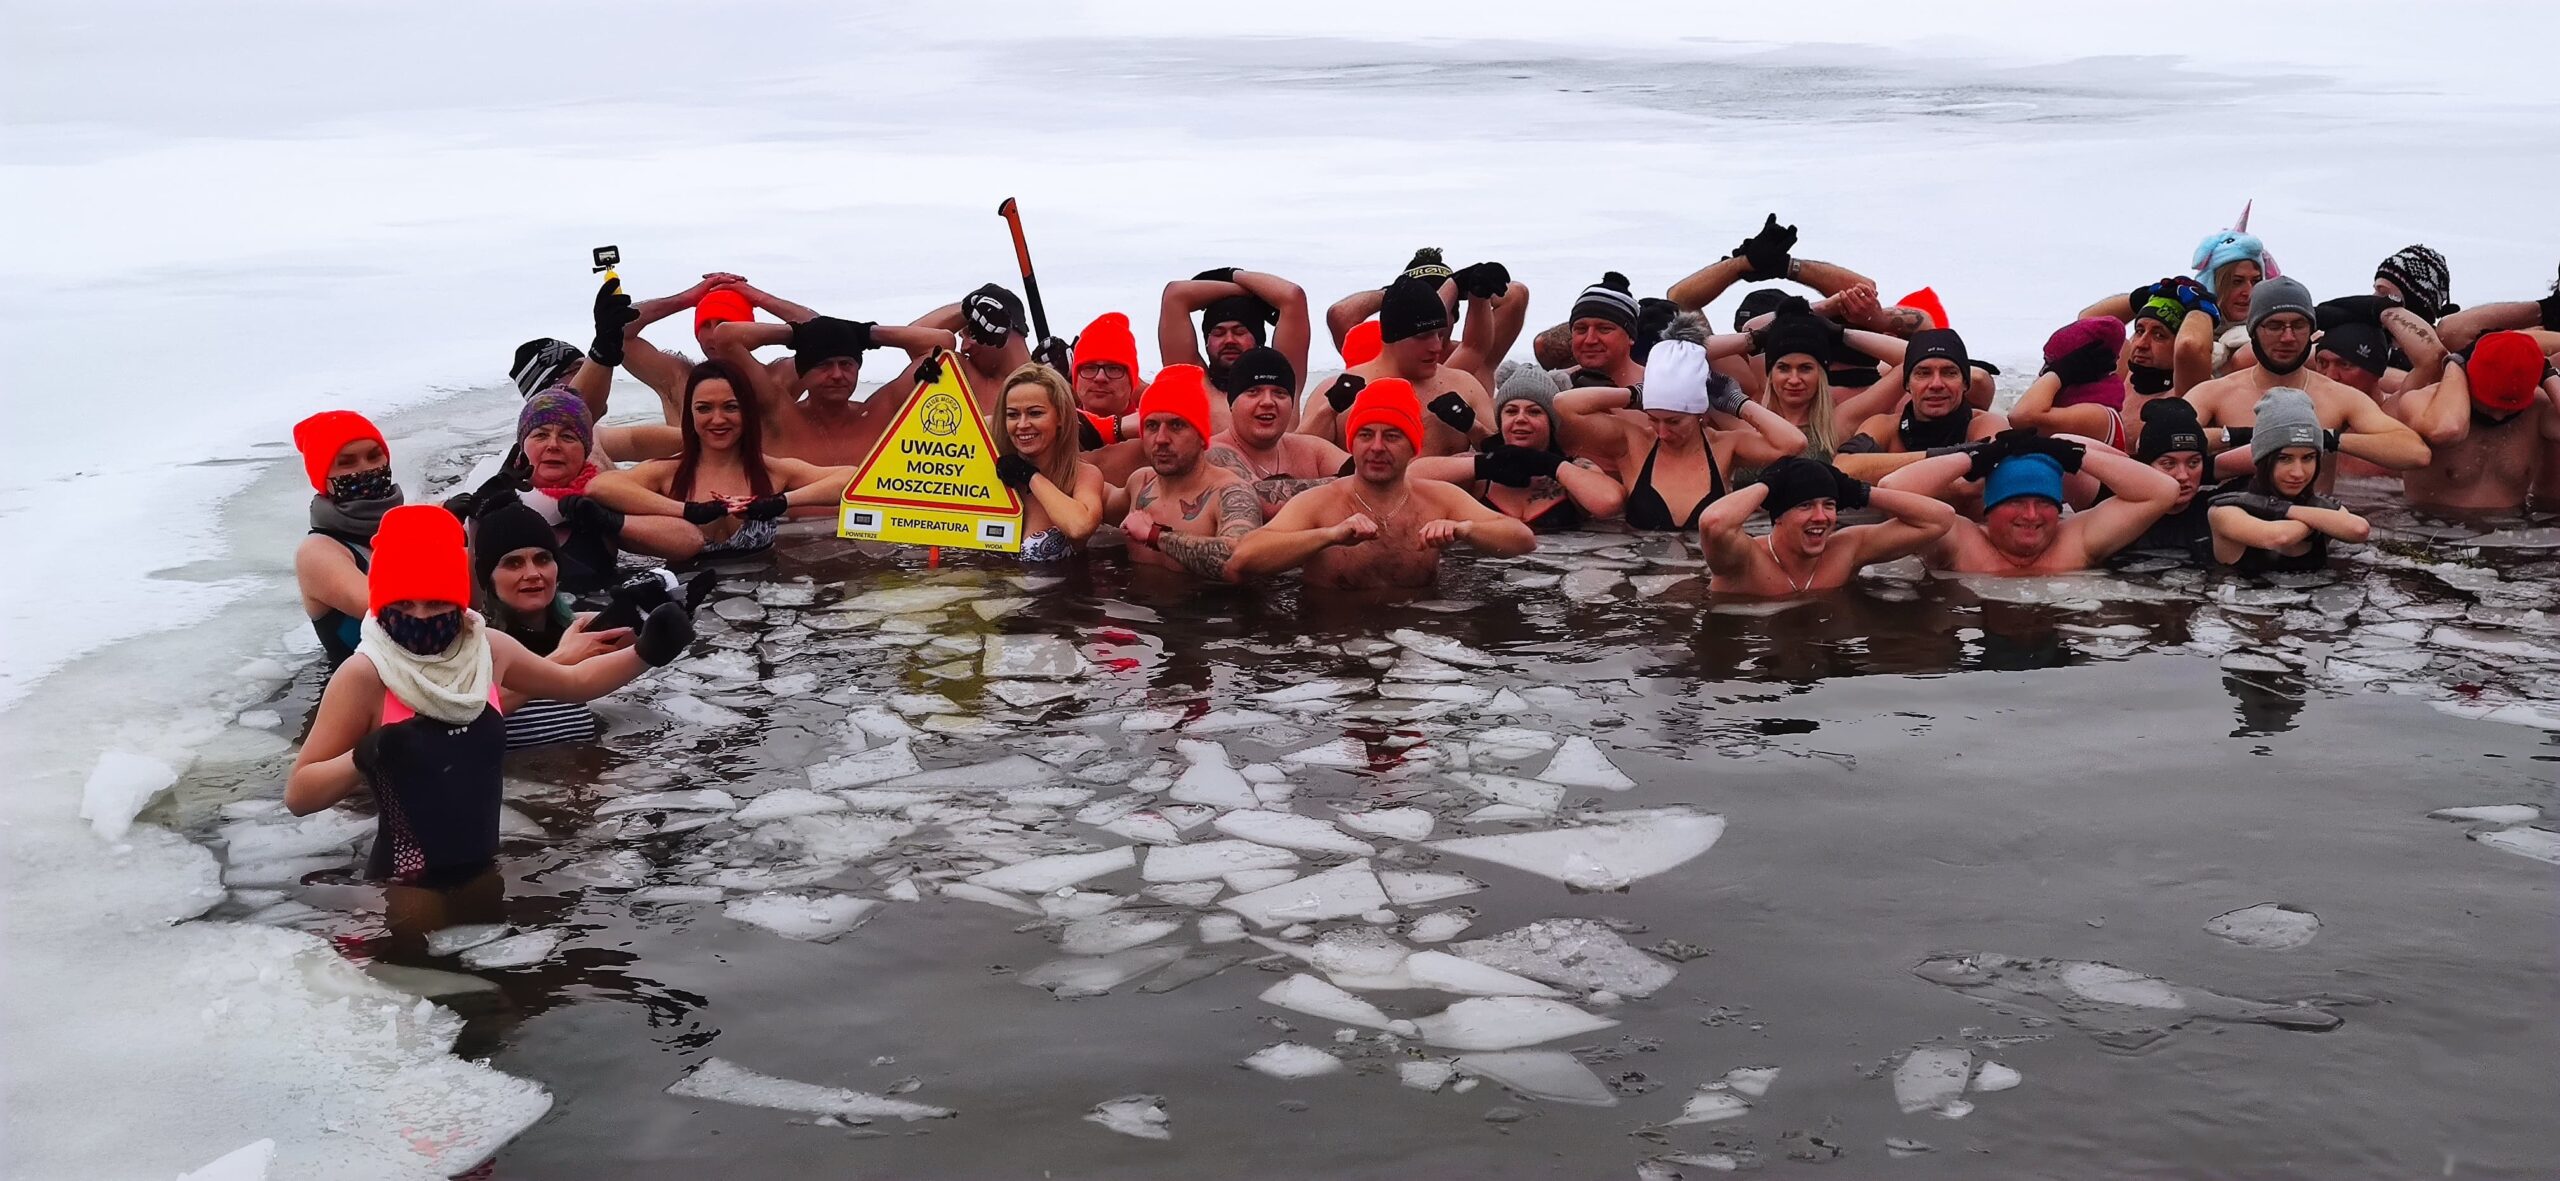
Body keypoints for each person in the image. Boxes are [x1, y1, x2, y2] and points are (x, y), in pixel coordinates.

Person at [284, 506, 687, 935]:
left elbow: (574, 682)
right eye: (402, 603)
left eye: (436, 602)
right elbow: (299, 795)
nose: (420, 616)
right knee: (423, 968)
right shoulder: (365, 674)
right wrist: (365, 755)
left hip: (485, 868)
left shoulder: (485, 649)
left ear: (459, 600)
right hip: (404, 879)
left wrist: (647, 653)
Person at [1229, 379, 1536, 589]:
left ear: (1413, 447)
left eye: (1391, 436)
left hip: (1422, 638)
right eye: (1365, 435)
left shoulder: (1440, 499)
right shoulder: (1320, 503)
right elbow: (1245, 557)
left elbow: (1522, 540)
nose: (1376, 447)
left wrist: (1464, 529)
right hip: (1330, 642)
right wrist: (1328, 536)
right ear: (1352, 444)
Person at [586, 361, 854, 556]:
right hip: (683, 596)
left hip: (766, 597)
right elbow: (601, 487)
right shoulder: (667, 472)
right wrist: (687, 511)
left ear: (747, 412)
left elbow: (853, 478)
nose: (717, 419)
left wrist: (780, 503)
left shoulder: (773, 470)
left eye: (730, 407)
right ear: (691, 414)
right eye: (704, 408)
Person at [444, 389, 706, 585]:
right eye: (541, 435)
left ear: (586, 451)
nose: (553, 445)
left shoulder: (601, 493)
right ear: (522, 446)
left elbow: (689, 541)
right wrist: (456, 523)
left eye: (568, 437)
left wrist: (610, 520)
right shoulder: (489, 496)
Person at [2184, 277, 2431, 482]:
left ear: (2311, 330)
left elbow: (2415, 452)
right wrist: (2241, 436)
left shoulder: (2339, 396)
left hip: (2316, 523)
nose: (2288, 338)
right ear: (2253, 331)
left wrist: (2325, 439)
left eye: (2299, 325)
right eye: (2274, 326)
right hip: (2231, 518)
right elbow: (2164, 441)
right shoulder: (2215, 393)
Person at [1554, 333, 1806, 531]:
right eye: (1653, 419)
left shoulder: (1725, 446)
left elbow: (1793, 443)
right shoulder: (1632, 442)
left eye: (1674, 422)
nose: (1662, 432)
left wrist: (1738, 403)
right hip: (1641, 576)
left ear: (1700, 414)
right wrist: (1634, 394)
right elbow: (1565, 405)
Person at [1882, 430, 2180, 574]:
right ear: (1990, 508)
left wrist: (2074, 454)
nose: (2031, 515)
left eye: (2045, 502)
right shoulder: (1960, 541)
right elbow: (1892, 489)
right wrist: (1972, 459)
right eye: (2016, 502)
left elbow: (2163, 490)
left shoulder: (2077, 540)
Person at [467, 502, 634, 749]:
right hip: (517, 773)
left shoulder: (579, 630)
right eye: (513, 563)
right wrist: (560, 660)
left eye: (543, 559)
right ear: (488, 578)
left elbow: (654, 641)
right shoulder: (473, 643)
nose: (533, 573)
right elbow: (468, 714)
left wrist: (649, 605)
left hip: (586, 769)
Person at [708, 310, 956, 467]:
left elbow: (942, 342)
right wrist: (797, 334)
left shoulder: (879, 413)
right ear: (802, 374)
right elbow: (727, 337)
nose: (837, 375)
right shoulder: (779, 414)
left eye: (846, 364)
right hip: (790, 534)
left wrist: (864, 333)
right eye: (824, 365)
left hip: (867, 536)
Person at [1406, 365, 1624, 532]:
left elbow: (1610, 502)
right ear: (1500, 420)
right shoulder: (1478, 470)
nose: (1520, 419)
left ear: (1551, 422)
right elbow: (1410, 478)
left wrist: (1550, 464)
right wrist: (1485, 464)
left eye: (1534, 412)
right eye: (1511, 411)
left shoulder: (1575, 467)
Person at [1698, 456, 1955, 595]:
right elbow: (1714, 522)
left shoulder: (1846, 551)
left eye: (1829, 504)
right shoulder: (1744, 560)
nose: (1821, 517)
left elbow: (1939, 519)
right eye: (1805, 505)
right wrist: (1768, 486)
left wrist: (1859, 492)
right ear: (1778, 516)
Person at [1299, 276, 1494, 457]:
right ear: (1392, 337)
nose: (1436, 347)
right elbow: (1297, 457)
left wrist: (1474, 429)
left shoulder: (1464, 386)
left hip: (1446, 485)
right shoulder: (1334, 391)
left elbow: (1505, 458)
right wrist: (1328, 411)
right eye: (1423, 336)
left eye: (1439, 334)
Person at [1110, 365, 1265, 581]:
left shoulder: (1230, 492)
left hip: (1211, 602)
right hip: (1139, 600)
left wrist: (1154, 535)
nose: (1161, 439)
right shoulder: (1140, 482)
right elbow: (1095, 500)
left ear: (1201, 435)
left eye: (1176, 425)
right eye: (1152, 426)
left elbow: (1241, 559)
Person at [2386, 331, 2558, 512]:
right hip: (2429, 523)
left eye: (2510, 408)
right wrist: (2454, 365)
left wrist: (2549, 374)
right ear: (2469, 378)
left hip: (2515, 525)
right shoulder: (2422, 401)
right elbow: (2446, 430)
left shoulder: (2539, 408)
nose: (2498, 416)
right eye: (2489, 404)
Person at [2208, 389, 2372, 572]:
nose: (2298, 473)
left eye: (2308, 458)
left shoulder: (2316, 505)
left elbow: (2359, 530)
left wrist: (2275, 507)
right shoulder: (2225, 511)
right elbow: (2278, 538)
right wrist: (2319, 519)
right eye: (2284, 458)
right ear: (2263, 459)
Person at [1323, 250, 1529, 395]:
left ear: (1455, 312)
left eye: (1440, 300)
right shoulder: (1383, 359)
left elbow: (1516, 295)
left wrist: (1474, 287)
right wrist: (1397, 293)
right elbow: (1340, 314)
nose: (1430, 308)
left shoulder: (1481, 354)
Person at [293, 411, 404, 669]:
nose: (366, 468)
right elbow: (390, 611)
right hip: (362, 691)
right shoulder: (318, 552)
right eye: (347, 462)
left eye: (374, 456)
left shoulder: (402, 524)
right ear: (323, 477)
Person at [1833, 329, 2010, 483]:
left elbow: (1968, 488)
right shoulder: (1884, 426)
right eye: (1923, 373)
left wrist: (1880, 472)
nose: (1936, 384)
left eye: (1949, 373)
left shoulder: (1985, 424)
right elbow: (1843, 467)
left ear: (1965, 383)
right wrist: (1950, 455)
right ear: (1907, 384)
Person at [1207, 346, 1350, 515]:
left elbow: (1367, 477)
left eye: (1279, 393)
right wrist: (1345, 482)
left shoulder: (1312, 449)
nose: (1268, 401)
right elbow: (1256, 497)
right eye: (1253, 392)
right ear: (1232, 403)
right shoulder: (1214, 452)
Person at [990, 363, 1107, 562]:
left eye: (1035, 413)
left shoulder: (1083, 475)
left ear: (1060, 416)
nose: (1022, 424)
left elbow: (1080, 526)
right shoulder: (988, 466)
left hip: (1059, 582)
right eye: (1013, 415)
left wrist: (1029, 476)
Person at [1160, 266, 1313, 396]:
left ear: (1258, 338)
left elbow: (1292, 296)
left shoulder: (1282, 383)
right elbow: (1175, 295)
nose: (1229, 340)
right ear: (1206, 341)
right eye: (1219, 333)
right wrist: (1247, 292)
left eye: (1239, 332)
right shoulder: (1192, 386)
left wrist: (1233, 275)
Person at [2006, 317, 2138, 452]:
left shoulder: (2098, 414)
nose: (2043, 372)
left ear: (2076, 366)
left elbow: (2021, 417)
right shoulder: (2061, 400)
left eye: (2051, 363)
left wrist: (2058, 373)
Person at [2115, 397, 2219, 565]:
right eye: (2169, 464)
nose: (2183, 475)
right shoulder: (2118, 514)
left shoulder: (2216, 508)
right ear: (2146, 465)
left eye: (2193, 463)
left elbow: (2262, 457)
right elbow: (2075, 449)